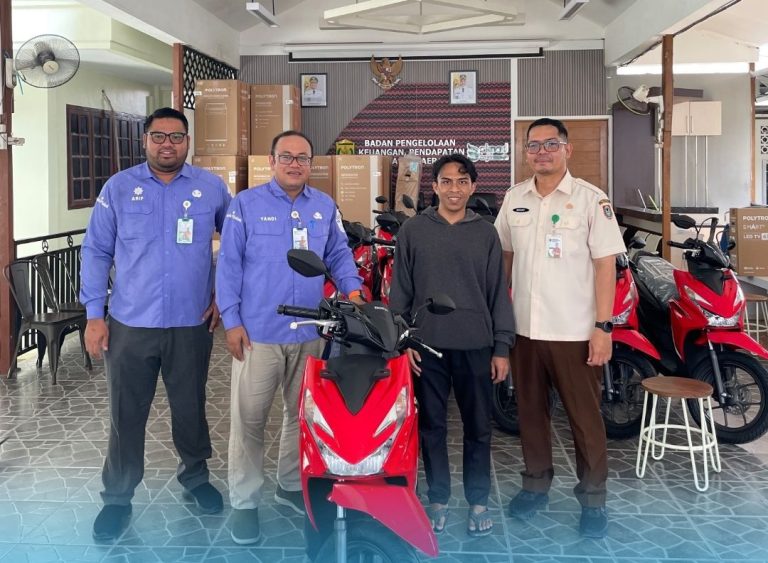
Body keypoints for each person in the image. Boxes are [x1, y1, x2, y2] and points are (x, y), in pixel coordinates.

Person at [80, 107, 231, 541]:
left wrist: (224, 295)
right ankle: (117, 496)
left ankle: (196, 477)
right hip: (130, 323)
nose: (168, 144)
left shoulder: (211, 188)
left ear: (188, 142)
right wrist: (94, 315)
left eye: (177, 137)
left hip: (190, 322)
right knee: (126, 412)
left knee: (190, 406)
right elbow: (95, 251)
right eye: (159, 136)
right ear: (144, 140)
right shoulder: (118, 188)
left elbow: (237, 244)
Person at [215, 130, 364, 545]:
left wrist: (354, 293)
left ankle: (290, 483)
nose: (295, 164)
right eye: (287, 157)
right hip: (257, 333)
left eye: (302, 158)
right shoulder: (246, 205)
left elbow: (339, 254)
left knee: (301, 415)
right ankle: (245, 502)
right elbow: (228, 265)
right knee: (249, 419)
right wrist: (231, 321)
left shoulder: (324, 206)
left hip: (311, 331)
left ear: (311, 164)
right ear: (272, 161)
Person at [494, 118, 626, 538]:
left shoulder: (591, 199)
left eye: (551, 144)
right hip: (525, 331)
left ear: (567, 150)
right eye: (534, 145)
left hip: (574, 332)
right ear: (526, 153)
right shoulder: (514, 198)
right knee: (530, 414)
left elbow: (605, 265)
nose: (542, 152)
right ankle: (535, 484)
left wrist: (603, 326)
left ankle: (593, 498)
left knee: (585, 419)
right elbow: (504, 260)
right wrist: (499, 321)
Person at [389, 153, 515, 538]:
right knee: (432, 427)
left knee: (478, 428)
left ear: (473, 187)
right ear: (435, 187)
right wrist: (404, 339)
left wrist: (502, 347)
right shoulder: (414, 231)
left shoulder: (486, 233)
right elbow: (400, 293)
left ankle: (478, 501)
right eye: (446, 181)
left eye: (462, 181)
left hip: (476, 345)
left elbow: (498, 294)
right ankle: (438, 498)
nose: (454, 189)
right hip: (427, 347)